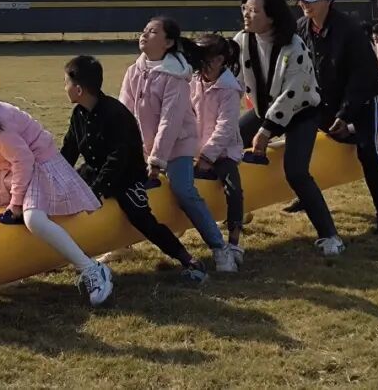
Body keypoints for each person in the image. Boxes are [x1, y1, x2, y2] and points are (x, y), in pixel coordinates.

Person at [0, 57, 114, 306]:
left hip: (38, 165)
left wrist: (16, 204)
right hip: (13, 168)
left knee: (34, 219)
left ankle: (91, 269)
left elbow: (25, 160)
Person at [61, 55, 209, 284]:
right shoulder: (78, 114)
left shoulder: (115, 114)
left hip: (126, 177)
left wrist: (97, 190)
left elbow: (118, 158)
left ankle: (188, 260)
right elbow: (69, 150)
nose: (65, 88)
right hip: (94, 171)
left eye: (67, 83)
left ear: (79, 89)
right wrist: (58, 179)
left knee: (142, 219)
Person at [120, 17, 236, 272]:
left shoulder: (175, 76)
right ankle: (120, 244)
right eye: (144, 30)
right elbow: (124, 114)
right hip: (145, 147)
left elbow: (169, 122)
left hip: (178, 146)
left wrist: (156, 161)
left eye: (152, 32)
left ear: (169, 42)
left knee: (184, 190)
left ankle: (220, 247)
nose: (144, 34)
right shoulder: (133, 72)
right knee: (124, 188)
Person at [235, 0, 345, 257]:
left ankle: (330, 235)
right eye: (245, 9)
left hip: (301, 112)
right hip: (264, 110)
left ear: (271, 16)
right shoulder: (241, 41)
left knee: (296, 172)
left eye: (254, 11)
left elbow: (292, 94)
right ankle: (236, 209)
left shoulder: (294, 46)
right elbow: (232, 82)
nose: (247, 15)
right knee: (227, 147)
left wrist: (265, 132)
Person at [293, 0, 378, 235]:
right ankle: (306, 195)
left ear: (328, 0)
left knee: (368, 151)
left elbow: (362, 76)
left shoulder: (350, 30)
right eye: (302, 0)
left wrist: (345, 114)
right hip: (324, 99)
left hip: (363, 97)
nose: (305, 5)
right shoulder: (300, 28)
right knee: (303, 143)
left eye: (311, 0)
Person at [189, 34, 246, 266]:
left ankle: (234, 241)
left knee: (234, 189)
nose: (199, 65)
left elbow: (225, 128)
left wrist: (207, 156)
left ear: (220, 60)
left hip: (223, 153)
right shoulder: (194, 81)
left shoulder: (229, 89)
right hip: (194, 150)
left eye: (205, 59)